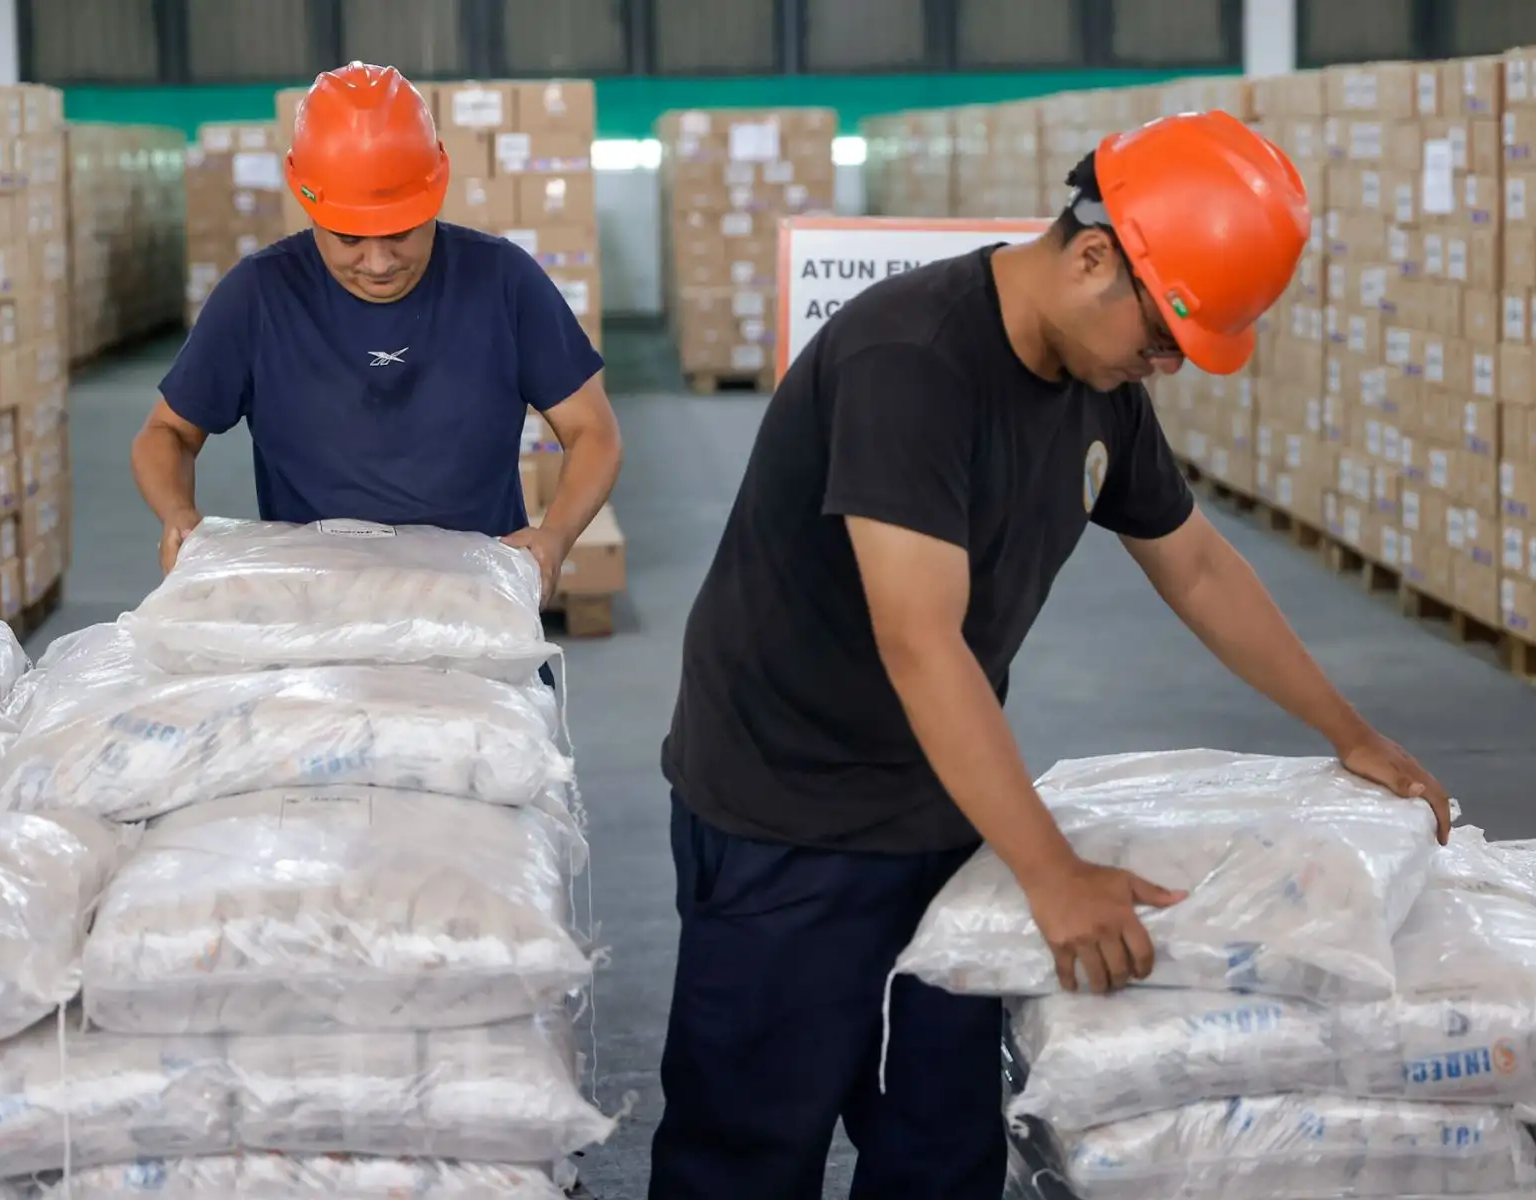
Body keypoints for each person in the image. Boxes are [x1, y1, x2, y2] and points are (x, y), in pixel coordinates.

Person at [650, 110, 1453, 1199]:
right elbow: (919, 640)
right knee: (750, 1137)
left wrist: (1349, 732)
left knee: (939, 1139)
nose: (1163, 368)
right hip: (787, 807)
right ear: (1091, 259)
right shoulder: (913, 361)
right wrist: (1052, 874)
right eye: (1163, 335)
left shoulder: (1101, 383)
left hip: (947, 792)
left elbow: (1198, 568)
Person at [131, 61, 620, 600]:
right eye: (349, 239)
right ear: (309, 203)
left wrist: (555, 535)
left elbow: (592, 430)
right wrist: (179, 517)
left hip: (471, 601)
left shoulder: (503, 282)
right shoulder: (259, 296)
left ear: (435, 191)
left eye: (401, 233)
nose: (379, 262)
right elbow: (166, 434)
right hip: (316, 606)